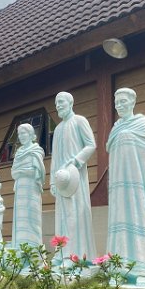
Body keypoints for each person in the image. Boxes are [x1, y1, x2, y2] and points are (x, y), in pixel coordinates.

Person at [106, 87, 145, 286]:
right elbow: (111, 150)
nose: (119, 106)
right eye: (117, 103)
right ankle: (118, 269)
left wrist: (128, 138)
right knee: (119, 224)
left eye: (123, 101)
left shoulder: (143, 124)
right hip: (119, 188)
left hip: (136, 186)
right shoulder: (115, 128)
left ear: (132, 102)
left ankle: (143, 272)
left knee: (138, 221)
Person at [50, 91, 97, 264]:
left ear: (70, 103)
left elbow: (91, 145)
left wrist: (77, 161)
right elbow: (55, 157)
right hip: (61, 180)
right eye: (56, 103)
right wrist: (52, 181)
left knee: (75, 215)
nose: (58, 106)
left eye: (61, 102)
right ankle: (62, 253)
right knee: (62, 216)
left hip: (76, 178)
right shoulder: (58, 129)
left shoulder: (79, 121)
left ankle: (76, 254)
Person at [11, 123, 46, 248]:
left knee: (31, 216)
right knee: (20, 217)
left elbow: (36, 171)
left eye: (23, 133)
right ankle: (20, 246)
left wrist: (22, 171)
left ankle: (34, 247)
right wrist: (22, 171)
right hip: (20, 188)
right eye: (19, 134)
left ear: (31, 134)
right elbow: (13, 172)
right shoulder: (18, 152)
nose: (21, 136)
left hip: (31, 187)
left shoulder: (36, 151)